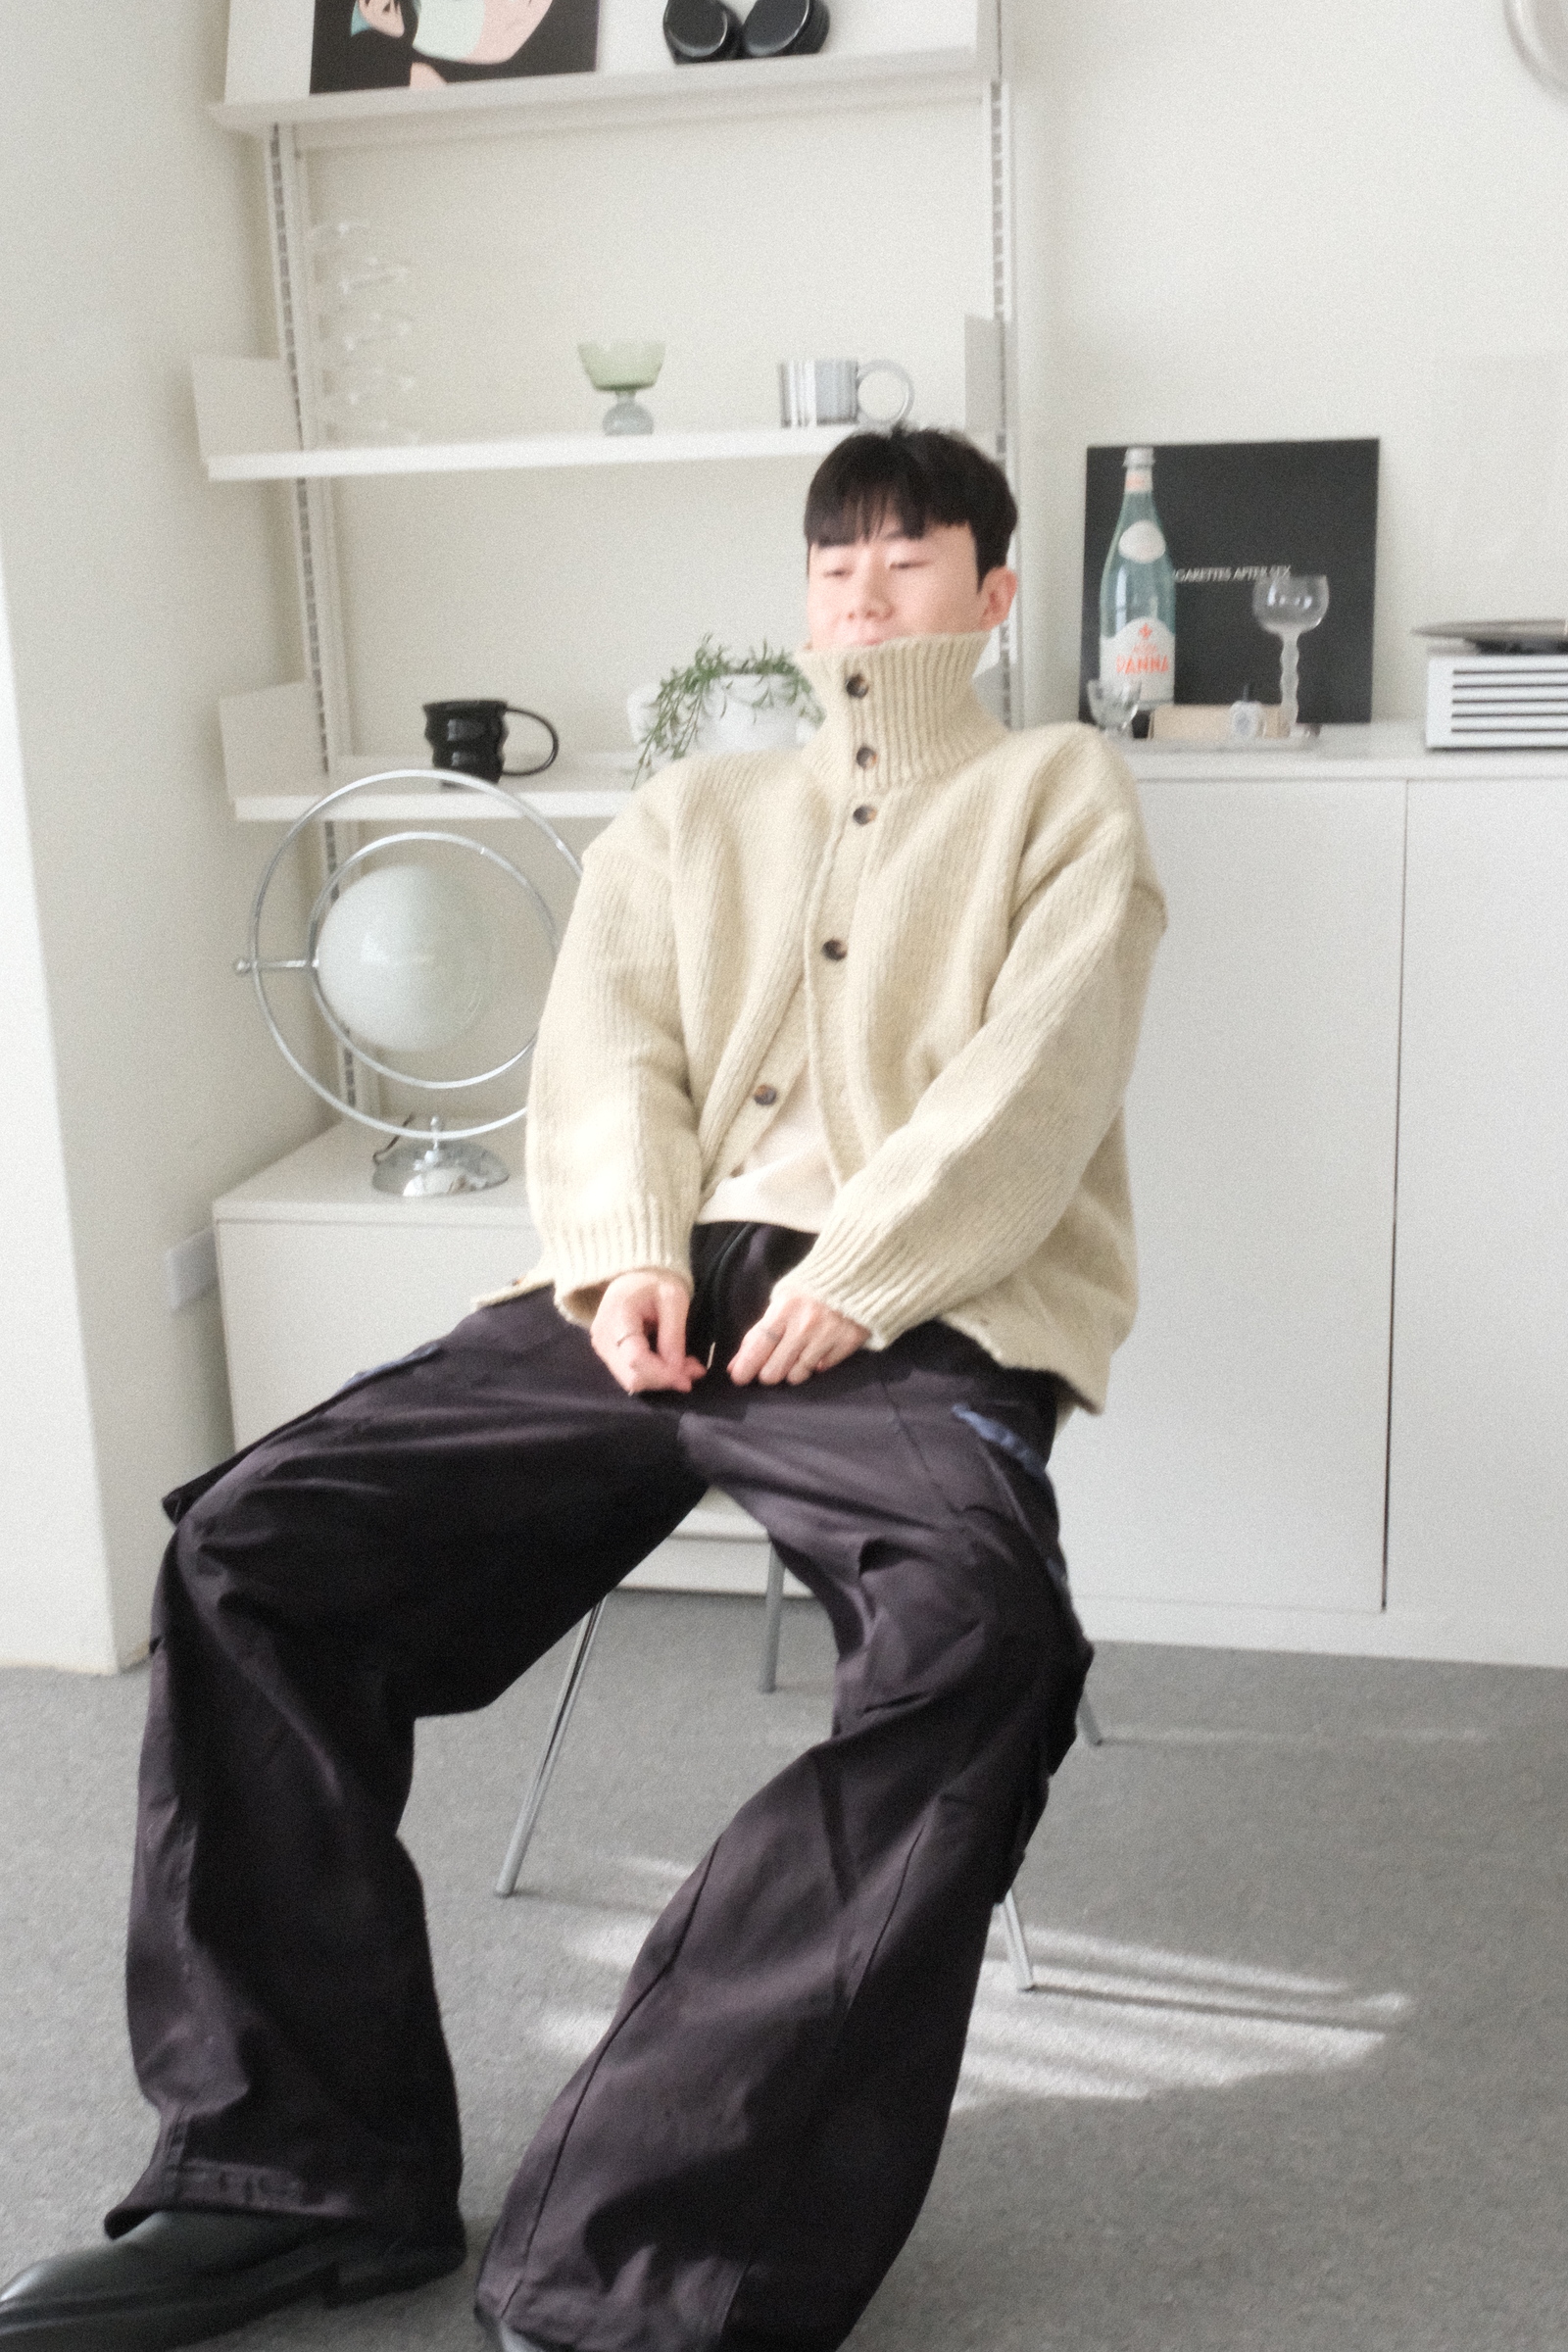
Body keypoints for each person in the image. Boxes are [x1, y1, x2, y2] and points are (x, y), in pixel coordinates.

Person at [0, 427, 1165, 2352]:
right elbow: (607, 1043)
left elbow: (1039, 1075)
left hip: (920, 1306)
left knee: (983, 1642)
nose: (864, 598)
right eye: (835, 567)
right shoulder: (693, 811)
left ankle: (633, 2258)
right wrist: (625, 1250)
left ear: (994, 591)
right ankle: (290, 2178)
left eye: (906, 561)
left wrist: (863, 1277)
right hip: (643, 1288)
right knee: (251, 1551)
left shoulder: (1060, 795)